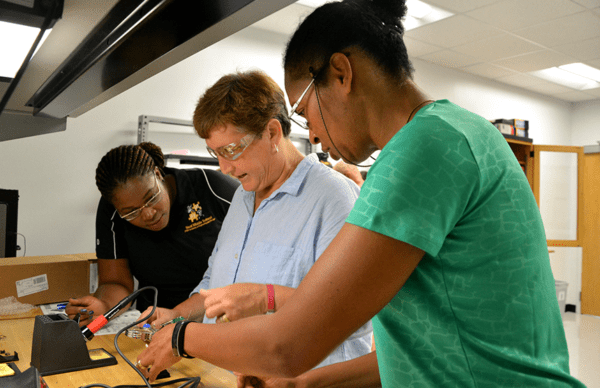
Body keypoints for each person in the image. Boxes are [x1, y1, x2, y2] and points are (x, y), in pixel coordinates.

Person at [138, 1, 585, 387]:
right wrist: (310, 382)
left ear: (341, 73)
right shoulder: (454, 133)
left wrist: (180, 336)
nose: (309, 132)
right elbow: (425, 344)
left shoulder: (423, 150)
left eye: (303, 110)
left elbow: (287, 344)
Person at [138, 70, 372, 370]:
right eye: (215, 153)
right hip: (228, 374)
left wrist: (267, 296)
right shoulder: (242, 197)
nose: (223, 167)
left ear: (272, 133)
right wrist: (177, 316)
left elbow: (358, 315)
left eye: (231, 150)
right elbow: (216, 284)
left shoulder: (334, 197)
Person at [65, 142, 239, 325]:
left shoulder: (212, 188)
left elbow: (242, 276)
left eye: (151, 197)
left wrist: (178, 314)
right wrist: (103, 306)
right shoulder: (112, 211)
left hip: (221, 313)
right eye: (131, 212)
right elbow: (116, 282)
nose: (148, 214)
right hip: (153, 319)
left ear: (158, 174)